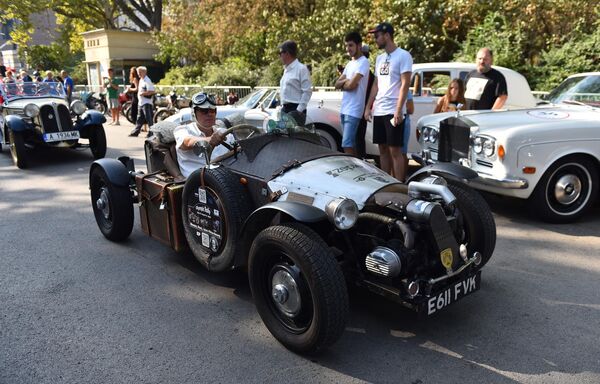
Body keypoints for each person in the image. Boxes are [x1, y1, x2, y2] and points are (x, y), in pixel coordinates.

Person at [364, 22, 413, 182]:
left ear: (387, 35)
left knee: (395, 151)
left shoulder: (403, 55)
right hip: (379, 109)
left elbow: (405, 84)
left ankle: (399, 184)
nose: (375, 39)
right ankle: (386, 183)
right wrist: (368, 107)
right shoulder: (379, 58)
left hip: (393, 109)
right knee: (382, 149)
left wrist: (399, 110)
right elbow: (376, 84)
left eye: (377, 36)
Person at [173, 92, 234, 178]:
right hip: (196, 184)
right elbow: (188, 141)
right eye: (204, 111)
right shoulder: (183, 130)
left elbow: (238, 152)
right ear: (194, 113)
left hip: (224, 180)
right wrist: (210, 140)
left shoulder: (224, 133)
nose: (209, 114)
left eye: (212, 111)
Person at [334, 31, 370, 155]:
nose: (348, 49)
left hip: (354, 110)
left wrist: (346, 82)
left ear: (359, 45)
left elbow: (352, 86)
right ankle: (356, 168)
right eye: (346, 46)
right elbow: (336, 84)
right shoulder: (350, 63)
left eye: (351, 45)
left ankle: (352, 170)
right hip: (344, 108)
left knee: (346, 143)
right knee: (351, 144)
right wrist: (347, 81)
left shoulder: (364, 62)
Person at [278, 40, 312, 126]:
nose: (279, 56)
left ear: (287, 53)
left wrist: (299, 110)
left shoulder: (301, 69)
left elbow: (307, 91)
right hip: (285, 109)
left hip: (296, 109)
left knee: (294, 138)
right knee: (284, 138)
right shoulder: (286, 69)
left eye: (280, 53)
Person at [129, 66, 155, 137]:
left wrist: (143, 93)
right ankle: (136, 131)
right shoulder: (141, 80)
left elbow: (152, 91)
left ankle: (152, 132)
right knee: (139, 118)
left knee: (149, 118)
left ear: (144, 72)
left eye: (140, 72)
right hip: (141, 102)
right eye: (138, 72)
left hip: (146, 102)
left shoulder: (147, 80)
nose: (138, 74)